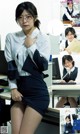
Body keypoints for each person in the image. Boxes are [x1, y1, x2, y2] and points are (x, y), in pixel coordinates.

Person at [4, 2, 50, 134]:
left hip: (37, 91)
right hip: (19, 90)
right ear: (17, 19)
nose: (24, 21)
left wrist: (31, 46)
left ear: (35, 17)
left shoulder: (43, 38)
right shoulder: (11, 37)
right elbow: (11, 65)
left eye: (28, 16)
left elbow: (43, 66)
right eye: (20, 17)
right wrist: (13, 88)